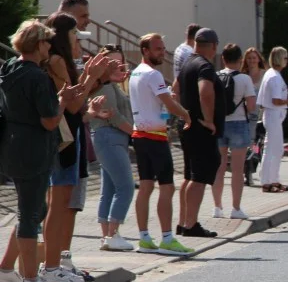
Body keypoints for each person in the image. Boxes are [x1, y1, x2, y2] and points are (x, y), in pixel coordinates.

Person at [0, 20, 83, 282]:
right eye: (47, 41)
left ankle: (7, 269)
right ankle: (32, 279)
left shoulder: (10, 68)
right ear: (39, 44)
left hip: (13, 145)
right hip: (33, 148)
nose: (50, 46)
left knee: (35, 210)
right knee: (31, 213)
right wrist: (62, 99)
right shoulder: (37, 76)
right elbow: (49, 121)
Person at [42, 13, 108, 282]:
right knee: (57, 204)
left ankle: (59, 262)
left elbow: (78, 99)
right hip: (62, 137)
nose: (78, 41)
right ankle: (51, 265)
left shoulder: (63, 61)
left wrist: (98, 79)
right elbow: (70, 103)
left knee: (65, 202)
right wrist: (92, 76)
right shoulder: (56, 61)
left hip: (72, 134)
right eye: (74, 35)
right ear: (61, 36)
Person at [130, 33, 193, 255]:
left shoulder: (135, 73)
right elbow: (169, 104)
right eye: (157, 48)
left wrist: (169, 105)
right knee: (167, 186)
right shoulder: (154, 74)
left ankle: (144, 237)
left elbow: (160, 106)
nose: (162, 52)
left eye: (163, 48)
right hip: (155, 137)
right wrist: (186, 114)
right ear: (145, 50)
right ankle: (167, 238)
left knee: (146, 186)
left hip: (140, 134)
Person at [88, 45, 136, 250]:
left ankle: (107, 236)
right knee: (125, 187)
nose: (118, 66)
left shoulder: (111, 85)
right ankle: (113, 234)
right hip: (110, 137)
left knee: (108, 188)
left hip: (109, 138)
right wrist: (136, 134)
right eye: (112, 63)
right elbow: (114, 116)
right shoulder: (105, 87)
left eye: (120, 62)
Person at [177, 28, 224, 237]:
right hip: (200, 129)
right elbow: (205, 92)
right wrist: (209, 120)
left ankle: (183, 221)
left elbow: (174, 90)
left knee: (189, 175)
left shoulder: (187, 63)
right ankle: (190, 225)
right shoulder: (205, 66)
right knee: (199, 175)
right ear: (214, 46)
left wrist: (184, 113)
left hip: (187, 125)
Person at [212, 43, 257, 218]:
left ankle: (217, 208)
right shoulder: (244, 79)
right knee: (237, 169)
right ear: (240, 60)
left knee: (219, 168)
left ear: (223, 58)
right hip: (238, 123)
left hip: (219, 124)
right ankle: (236, 209)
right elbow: (252, 107)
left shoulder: (215, 77)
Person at [257, 46, 288, 192]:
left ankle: (273, 179)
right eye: (286, 58)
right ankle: (266, 182)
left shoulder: (272, 74)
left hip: (274, 115)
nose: (287, 61)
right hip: (273, 114)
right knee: (271, 149)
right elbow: (275, 100)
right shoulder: (274, 76)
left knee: (277, 149)